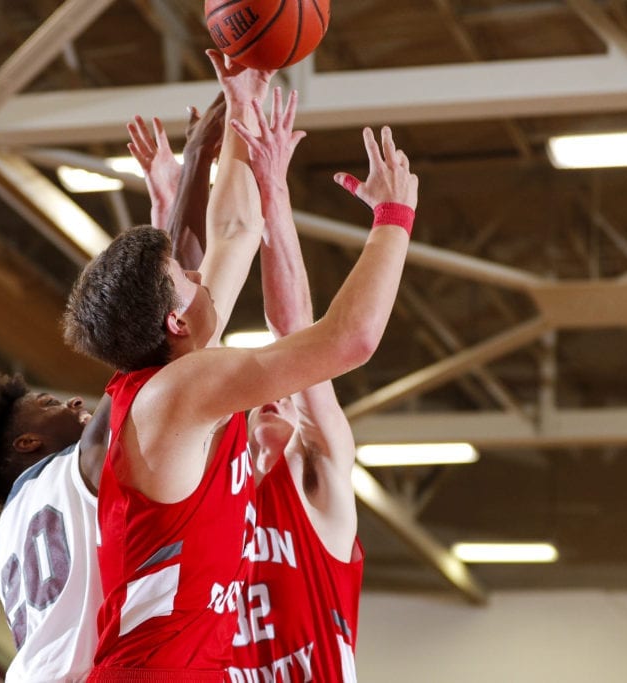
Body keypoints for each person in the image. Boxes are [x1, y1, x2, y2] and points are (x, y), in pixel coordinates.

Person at [63, 72, 418, 683]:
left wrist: (243, 97)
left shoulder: (174, 368)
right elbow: (349, 339)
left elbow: (236, 232)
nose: (204, 276)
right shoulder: (181, 391)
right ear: (176, 319)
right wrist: (394, 215)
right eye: (187, 275)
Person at [0, 95, 226, 683]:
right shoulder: (74, 469)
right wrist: (201, 152)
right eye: (49, 405)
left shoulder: (8, 536)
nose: (76, 401)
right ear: (26, 444)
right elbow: (159, 305)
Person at [227, 90, 378, 683]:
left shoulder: (318, 473)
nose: (276, 391)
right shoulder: (210, 489)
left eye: (290, 389)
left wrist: (273, 190)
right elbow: (171, 342)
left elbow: (293, 330)